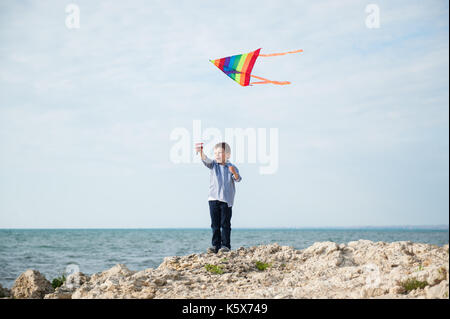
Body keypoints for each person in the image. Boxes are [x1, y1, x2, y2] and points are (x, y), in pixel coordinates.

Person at [195, 142, 242, 253]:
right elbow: (206, 160)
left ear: (228, 155)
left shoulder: (232, 167)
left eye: (220, 153)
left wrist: (234, 173)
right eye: (215, 153)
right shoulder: (213, 165)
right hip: (213, 198)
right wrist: (201, 152)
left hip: (226, 200)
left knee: (225, 224)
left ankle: (225, 246)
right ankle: (215, 245)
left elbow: (238, 179)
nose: (217, 155)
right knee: (215, 224)